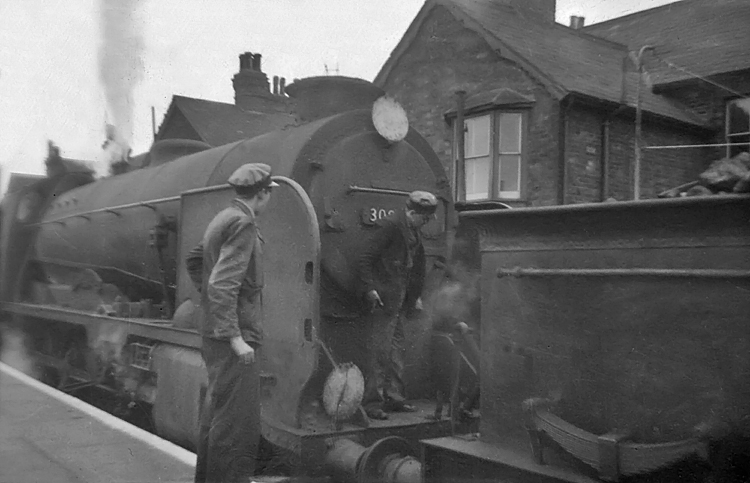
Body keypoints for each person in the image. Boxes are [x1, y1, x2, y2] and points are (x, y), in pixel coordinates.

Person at [185, 163, 278, 483]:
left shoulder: (222, 218)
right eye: (269, 195)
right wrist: (235, 337)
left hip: (214, 334)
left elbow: (195, 261)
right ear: (262, 194)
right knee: (238, 426)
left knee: (217, 417)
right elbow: (223, 283)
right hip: (234, 338)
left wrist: (212, 304)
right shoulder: (243, 223)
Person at [357, 190, 438, 420]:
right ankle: (372, 403)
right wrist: (370, 289)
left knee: (397, 352)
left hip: (399, 301)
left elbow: (414, 265)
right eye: (423, 219)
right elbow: (364, 258)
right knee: (379, 353)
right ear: (411, 212)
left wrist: (414, 297)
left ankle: (394, 398)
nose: (425, 223)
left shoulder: (413, 229)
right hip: (384, 300)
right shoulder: (391, 226)